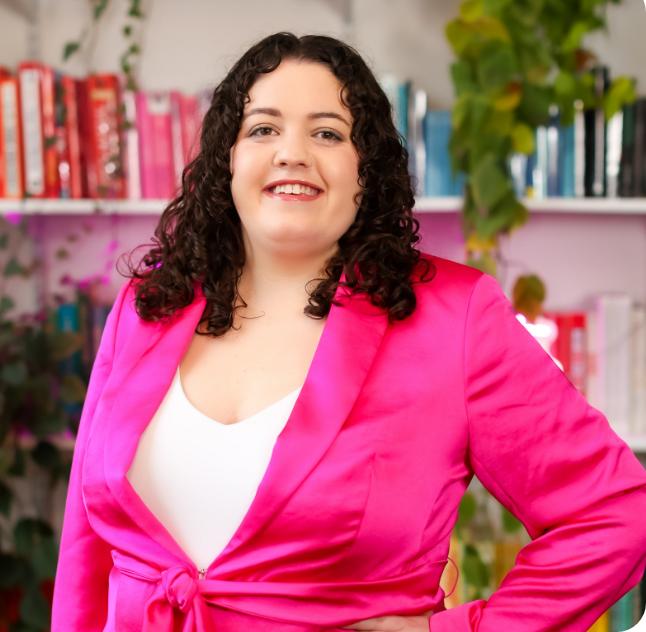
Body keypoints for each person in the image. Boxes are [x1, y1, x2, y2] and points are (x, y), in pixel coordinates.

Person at [52, 32, 646, 632]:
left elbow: (614, 511)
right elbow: (86, 546)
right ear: (226, 158)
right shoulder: (147, 305)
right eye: (262, 128)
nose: (291, 153)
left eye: (328, 133)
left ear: (368, 168)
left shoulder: (454, 317)